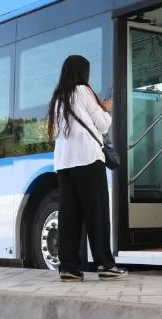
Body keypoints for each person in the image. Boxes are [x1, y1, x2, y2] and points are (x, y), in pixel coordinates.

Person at [47, 55, 127, 282]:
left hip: (64, 164)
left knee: (70, 216)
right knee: (97, 213)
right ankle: (105, 264)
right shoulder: (83, 91)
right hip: (88, 160)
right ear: (83, 72)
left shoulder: (58, 97)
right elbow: (103, 124)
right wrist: (106, 108)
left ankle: (69, 267)